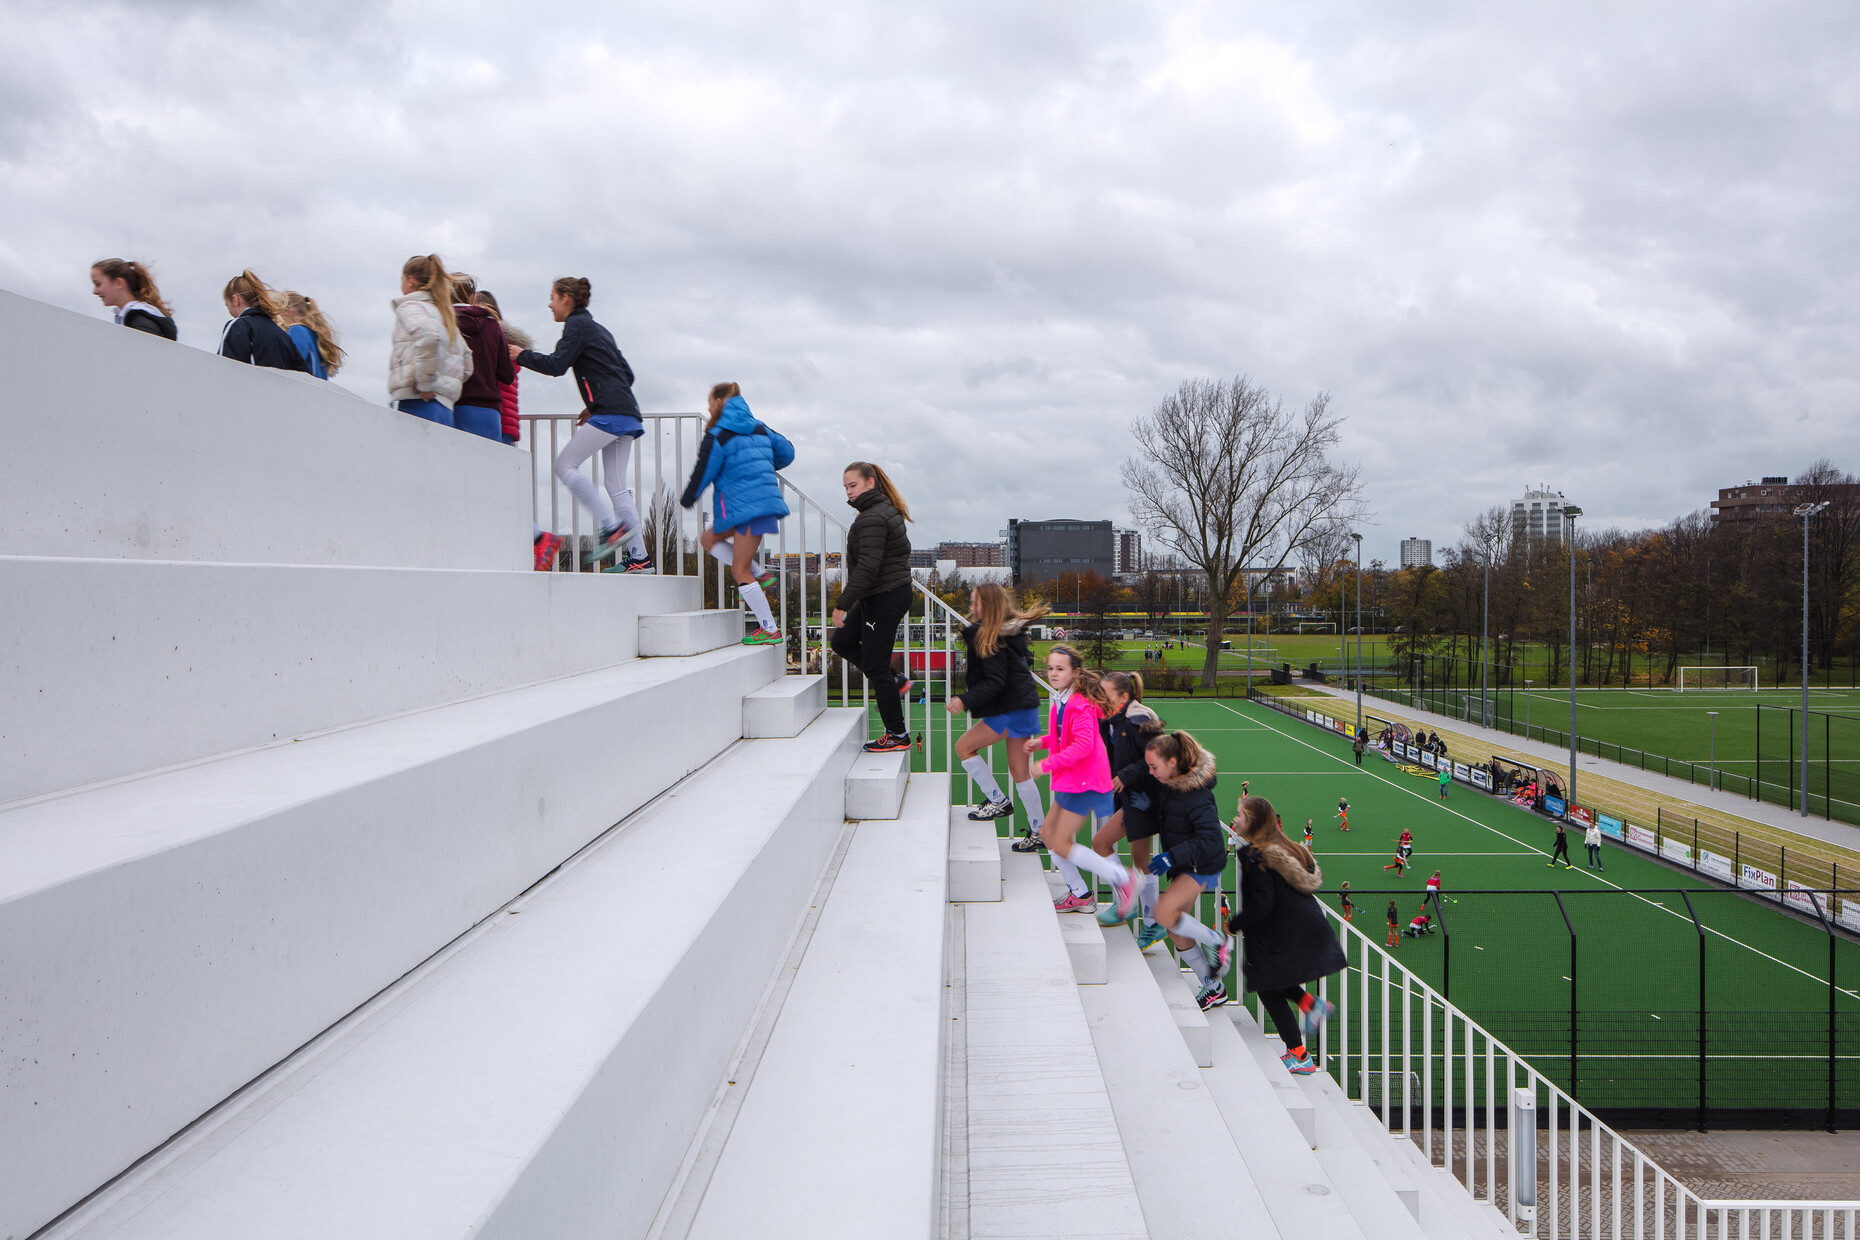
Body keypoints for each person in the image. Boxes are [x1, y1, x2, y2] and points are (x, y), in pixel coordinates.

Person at [510, 276, 649, 569]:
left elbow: (557, 365)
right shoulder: (600, 329)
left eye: (552, 297)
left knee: (565, 466)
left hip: (611, 412)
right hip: (626, 412)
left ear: (566, 298)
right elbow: (628, 375)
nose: (549, 304)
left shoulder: (576, 324)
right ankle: (640, 559)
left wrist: (521, 355)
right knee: (616, 485)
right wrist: (592, 404)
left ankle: (611, 529)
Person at [1226, 794, 1347, 1074]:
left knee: (1268, 988)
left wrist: (1234, 925)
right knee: (1272, 980)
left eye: (1240, 815)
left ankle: (1299, 1054)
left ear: (1253, 822)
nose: (1235, 819)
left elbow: (1262, 904)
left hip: (1287, 932)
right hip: (1303, 929)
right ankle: (1310, 1003)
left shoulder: (1257, 855)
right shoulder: (1286, 848)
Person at [1026, 646, 1141, 919]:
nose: (1053, 673)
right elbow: (1060, 737)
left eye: (1060, 668)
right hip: (1072, 780)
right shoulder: (1061, 699)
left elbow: (1083, 746)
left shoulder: (1079, 704)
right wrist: (1040, 744)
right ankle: (1080, 894)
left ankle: (1123, 878)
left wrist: (1045, 764)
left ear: (1075, 672)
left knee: (1061, 842)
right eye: (1050, 668)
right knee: (1047, 835)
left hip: (1085, 781)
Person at [680, 383, 793, 641]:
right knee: (708, 539)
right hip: (754, 507)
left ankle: (770, 629)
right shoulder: (760, 427)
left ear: (719, 401)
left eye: (709, 402)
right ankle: (759, 573)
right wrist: (763, 462)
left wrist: (689, 497)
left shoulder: (718, 435)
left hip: (748, 510)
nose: (708, 408)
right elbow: (787, 452)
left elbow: (704, 471)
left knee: (738, 571)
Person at [1135, 731, 1233, 1010]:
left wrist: (1170, 857)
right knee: (1176, 929)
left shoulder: (1198, 797)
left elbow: (1210, 840)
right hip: (1184, 863)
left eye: (1154, 767)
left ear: (1173, 762)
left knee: (1163, 912)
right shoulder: (1169, 785)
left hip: (1203, 863)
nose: (1150, 772)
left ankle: (1218, 941)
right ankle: (1213, 987)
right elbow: (1173, 819)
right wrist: (1148, 808)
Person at [831, 462, 915, 753]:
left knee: (876, 666)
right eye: (845, 487)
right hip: (883, 595)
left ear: (870, 482)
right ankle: (895, 680)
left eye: (852, 485)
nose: (848, 492)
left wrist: (843, 604)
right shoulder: (882, 511)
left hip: (885, 597)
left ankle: (897, 735)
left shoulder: (872, 518)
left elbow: (867, 567)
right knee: (842, 641)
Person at [950, 584, 1049, 827]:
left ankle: (997, 801)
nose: (971, 609)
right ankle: (1038, 830)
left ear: (988, 607)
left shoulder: (990, 637)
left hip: (1011, 708)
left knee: (963, 747)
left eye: (975, 603)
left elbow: (996, 681)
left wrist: (964, 699)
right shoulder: (1007, 633)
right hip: (1022, 706)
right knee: (1020, 773)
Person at [1090, 671, 1168, 946]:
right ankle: (1140, 913)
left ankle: (1148, 918)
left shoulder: (1139, 721)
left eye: (1105, 694)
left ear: (1123, 697)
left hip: (1145, 797)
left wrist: (1125, 776)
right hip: (1129, 796)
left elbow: (1157, 759)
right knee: (1129, 856)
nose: (1100, 698)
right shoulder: (1112, 719)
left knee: (1112, 847)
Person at [389, 254, 471, 425]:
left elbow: (429, 338)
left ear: (410, 280)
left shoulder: (411, 307)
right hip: (444, 408)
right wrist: (444, 384)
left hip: (418, 401)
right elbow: (467, 362)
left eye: (402, 279)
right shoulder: (444, 315)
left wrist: (426, 383)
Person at [447, 275, 514, 442]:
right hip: (490, 412)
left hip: (456, 407)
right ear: (472, 297)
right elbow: (507, 374)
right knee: (489, 466)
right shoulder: (493, 325)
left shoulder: (446, 323)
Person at [219, 271, 312, 372]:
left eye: (227, 305)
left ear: (235, 300)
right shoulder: (282, 335)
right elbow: (304, 375)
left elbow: (224, 370)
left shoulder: (239, 325)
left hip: (251, 387)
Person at [90, 258, 176, 339]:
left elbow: (143, 352)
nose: (95, 291)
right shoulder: (132, 317)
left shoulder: (140, 321)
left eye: (98, 284)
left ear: (119, 283)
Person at [276, 291, 346, 380]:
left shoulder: (297, 330)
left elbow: (290, 365)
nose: (277, 316)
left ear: (291, 310)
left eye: (278, 310)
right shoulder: (315, 335)